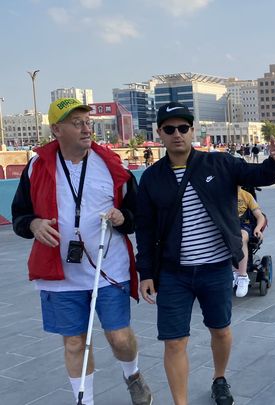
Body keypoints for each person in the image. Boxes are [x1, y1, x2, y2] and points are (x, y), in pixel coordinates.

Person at [134, 101, 275, 405]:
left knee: (221, 331)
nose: (177, 134)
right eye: (169, 129)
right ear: (160, 133)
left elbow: (261, 176)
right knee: (174, 341)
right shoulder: (152, 178)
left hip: (216, 268)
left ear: (193, 130)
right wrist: (146, 273)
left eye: (183, 128)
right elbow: (145, 229)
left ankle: (219, 377)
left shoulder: (220, 163)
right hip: (173, 272)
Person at [11, 98, 152, 405]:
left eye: (88, 122)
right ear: (56, 129)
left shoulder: (113, 166)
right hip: (59, 273)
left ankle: (133, 374)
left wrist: (122, 217)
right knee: (75, 342)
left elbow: (137, 214)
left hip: (108, 266)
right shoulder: (37, 166)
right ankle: (84, 401)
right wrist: (34, 224)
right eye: (77, 123)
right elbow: (20, 216)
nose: (86, 129)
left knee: (119, 338)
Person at [232, 188, 266, 297]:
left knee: (241, 237)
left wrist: (257, 228)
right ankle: (230, 272)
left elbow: (260, 216)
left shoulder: (247, 195)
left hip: (243, 225)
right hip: (228, 225)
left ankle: (242, 276)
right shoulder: (221, 194)